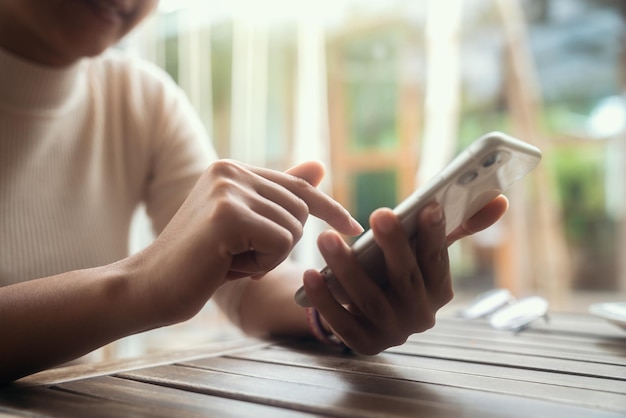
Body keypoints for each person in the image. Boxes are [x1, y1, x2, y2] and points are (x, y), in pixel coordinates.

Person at [0, 0, 508, 385]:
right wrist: (136, 286)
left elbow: (240, 283)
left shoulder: (141, 98)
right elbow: (157, 282)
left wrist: (337, 308)